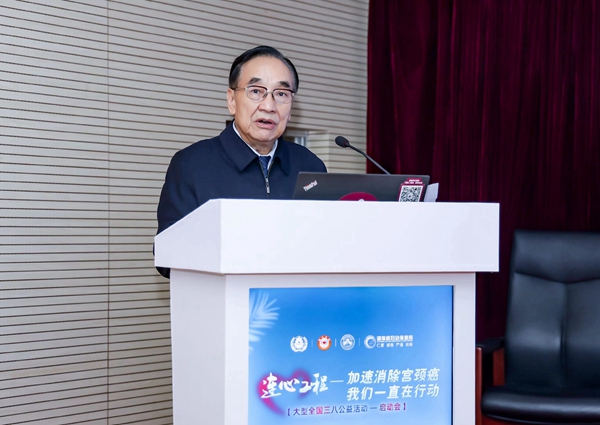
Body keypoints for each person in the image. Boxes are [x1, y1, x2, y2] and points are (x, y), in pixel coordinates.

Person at [156, 46, 327, 278]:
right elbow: (167, 257)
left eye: (281, 94)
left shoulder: (310, 166)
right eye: (256, 91)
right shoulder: (192, 164)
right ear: (232, 100)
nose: (269, 106)